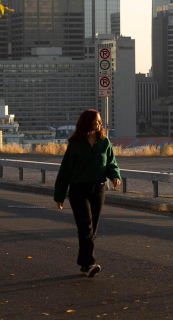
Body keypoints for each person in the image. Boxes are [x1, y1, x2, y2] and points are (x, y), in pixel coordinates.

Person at [54, 109, 121, 278]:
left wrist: (114, 176)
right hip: (78, 190)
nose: (99, 124)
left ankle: (84, 265)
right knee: (86, 228)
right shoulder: (76, 144)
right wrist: (59, 195)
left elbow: (111, 163)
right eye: (96, 121)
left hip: (98, 189)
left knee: (92, 230)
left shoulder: (104, 142)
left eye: (100, 121)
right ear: (87, 123)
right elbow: (65, 171)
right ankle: (90, 262)